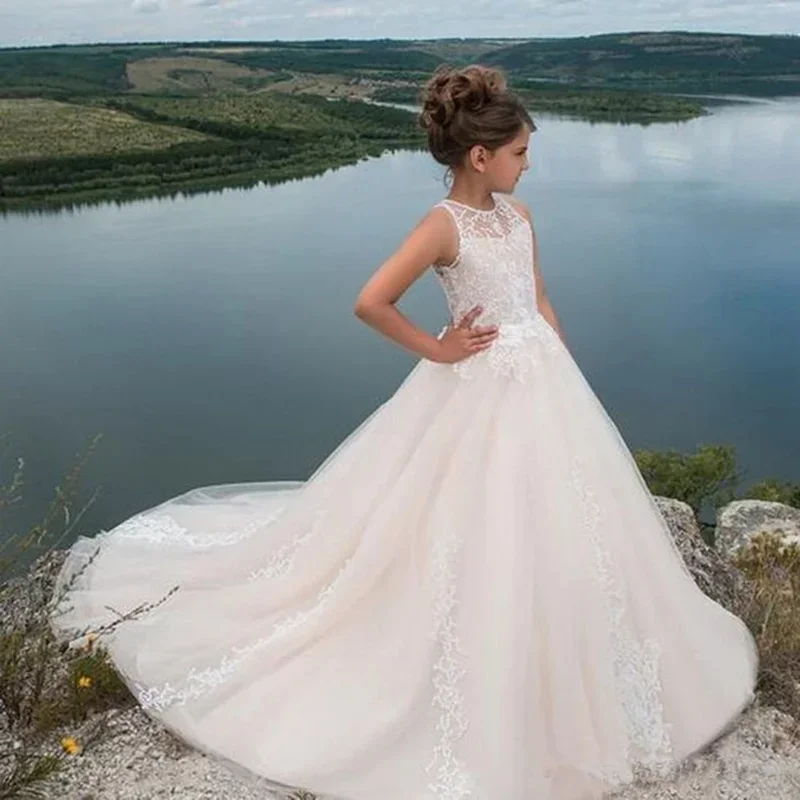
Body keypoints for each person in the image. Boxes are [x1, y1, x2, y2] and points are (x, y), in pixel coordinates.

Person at [50, 63, 758, 800]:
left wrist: (566, 374)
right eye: (519, 153)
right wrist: (441, 347)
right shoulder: (441, 226)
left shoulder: (521, 218)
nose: (528, 164)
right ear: (479, 157)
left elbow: (537, 296)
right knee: (465, 520)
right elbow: (371, 301)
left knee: (561, 522)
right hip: (477, 391)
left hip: (543, 388)